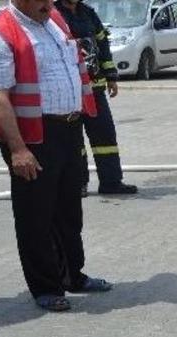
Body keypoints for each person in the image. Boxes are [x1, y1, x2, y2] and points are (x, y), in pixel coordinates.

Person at [0, 0, 113, 312]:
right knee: (36, 215)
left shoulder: (54, 20)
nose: (50, 4)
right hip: (34, 137)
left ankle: (73, 275)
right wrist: (18, 149)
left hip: (69, 128)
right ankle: (46, 286)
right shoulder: (2, 30)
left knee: (69, 211)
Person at [54, 0, 137, 196]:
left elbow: (102, 44)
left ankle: (111, 182)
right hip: (71, 89)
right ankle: (77, 184)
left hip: (95, 88)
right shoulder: (53, 13)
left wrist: (111, 76)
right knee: (75, 141)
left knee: (105, 136)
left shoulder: (88, 13)